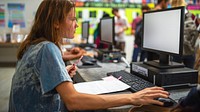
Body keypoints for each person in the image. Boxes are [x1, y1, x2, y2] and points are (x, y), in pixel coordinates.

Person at [9, 0, 170, 112]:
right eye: (72, 19)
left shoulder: (33, 45)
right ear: (56, 22)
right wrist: (133, 98)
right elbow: (73, 102)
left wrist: (60, 72)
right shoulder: (48, 48)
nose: (77, 24)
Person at [171, 0, 199, 68]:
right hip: (190, 51)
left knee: (174, 73)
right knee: (189, 74)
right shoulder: (193, 17)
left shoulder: (172, 16)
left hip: (176, 51)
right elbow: (197, 31)